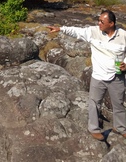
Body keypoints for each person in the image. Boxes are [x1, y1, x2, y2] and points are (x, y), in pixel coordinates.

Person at [49, 10, 126, 141]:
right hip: (98, 76)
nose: (99, 23)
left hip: (117, 77)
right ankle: (94, 129)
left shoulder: (123, 35)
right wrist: (60, 29)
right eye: (99, 20)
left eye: (102, 21)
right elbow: (77, 31)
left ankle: (120, 128)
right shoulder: (93, 32)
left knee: (118, 104)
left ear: (111, 23)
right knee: (94, 103)